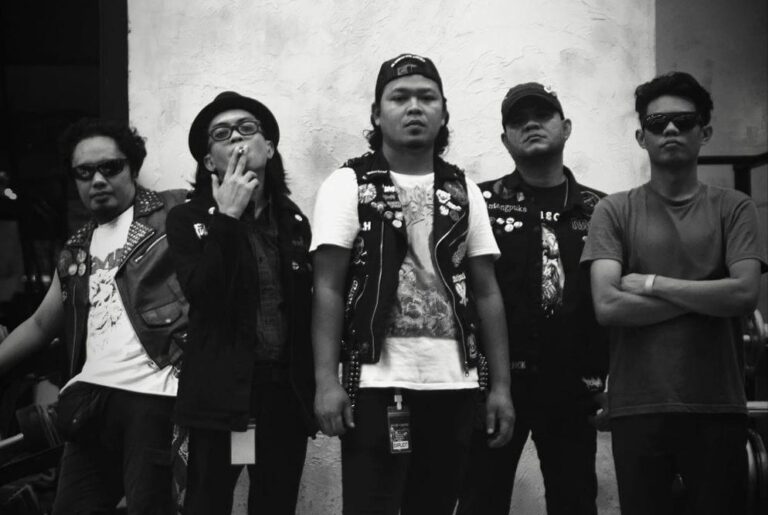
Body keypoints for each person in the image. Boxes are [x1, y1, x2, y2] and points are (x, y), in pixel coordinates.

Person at [311, 53, 515, 515]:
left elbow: (486, 292)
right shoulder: (349, 184)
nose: (414, 107)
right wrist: (325, 380)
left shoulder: (463, 190)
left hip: (456, 384)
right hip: (377, 382)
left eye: (427, 97)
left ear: (444, 111)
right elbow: (327, 287)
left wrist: (500, 387)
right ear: (376, 113)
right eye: (399, 97)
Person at [582, 71, 767, 515]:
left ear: (705, 132)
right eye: (657, 121)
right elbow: (607, 305)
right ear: (640, 136)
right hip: (638, 407)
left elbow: (744, 294)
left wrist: (652, 284)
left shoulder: (734, 208)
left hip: (717, 405)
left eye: (683, 121)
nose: (669, 129)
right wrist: (708, 298)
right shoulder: (614, 210)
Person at [0, 118, 188, 514]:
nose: (98, 180)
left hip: (155, 397)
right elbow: (40, 324)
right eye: (84, 172)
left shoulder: (176, 213)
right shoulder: (76, 249)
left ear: (132, 168)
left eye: (110, 167)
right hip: (89, 402)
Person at [457, 82, 608, 515]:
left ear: (566, 127)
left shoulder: (601, 210)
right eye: (518, 121)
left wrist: (612, 378)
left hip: (575, 386)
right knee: (480, 501)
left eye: (542, 115)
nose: (531, 125)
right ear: (505, 139)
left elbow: (613, 300)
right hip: (495, 385)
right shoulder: (478, 203)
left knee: (575, 501)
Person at [166, 91, 316, 514]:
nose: (236, 138)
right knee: (208, 503)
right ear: (208, 161)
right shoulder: (188, 219)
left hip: (283, 396)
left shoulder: (294, 221)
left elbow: (305, 312)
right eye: (221, 134)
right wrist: (227, 217)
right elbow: (205, 296)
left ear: (268, 148)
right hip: (223, 397)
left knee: (275, 504)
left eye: (247, 129)